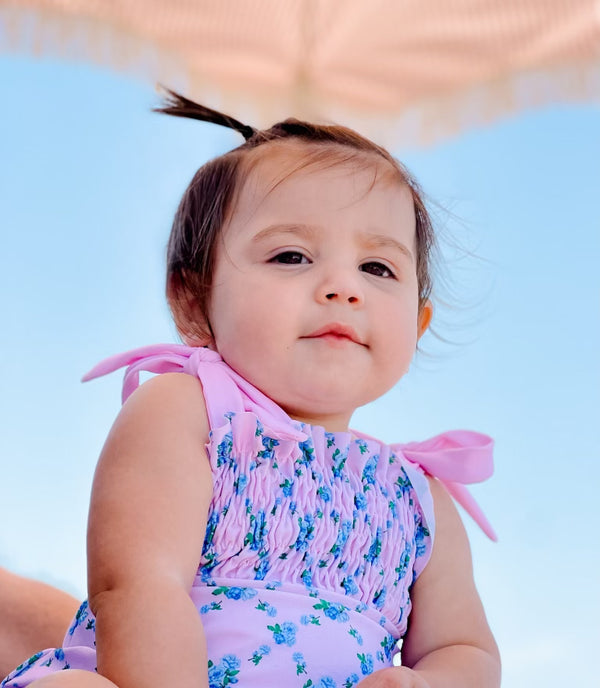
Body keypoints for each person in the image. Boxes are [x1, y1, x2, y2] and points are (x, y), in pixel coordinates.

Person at [2, 90, 501, 688]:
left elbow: (464, 647)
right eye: (291, 255)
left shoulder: (418, 498)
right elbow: (137, 584)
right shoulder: (186, 411)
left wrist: (426, 682)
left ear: (417, 325)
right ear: (192, 300)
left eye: (378, 268)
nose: (344, 287)